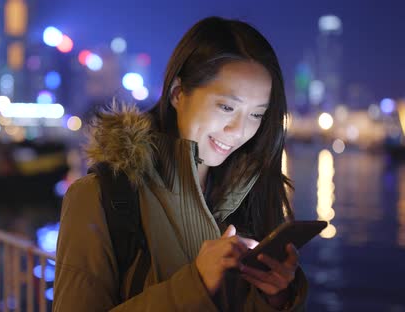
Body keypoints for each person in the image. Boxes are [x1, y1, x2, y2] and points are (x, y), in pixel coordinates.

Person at [53, 16, 308, 311]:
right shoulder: (100, 196)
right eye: (226, 107)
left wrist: (275, 297)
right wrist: (195, 285)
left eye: (256, 114)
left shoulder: (250, 197)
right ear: (177, 93)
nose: (238, 130)